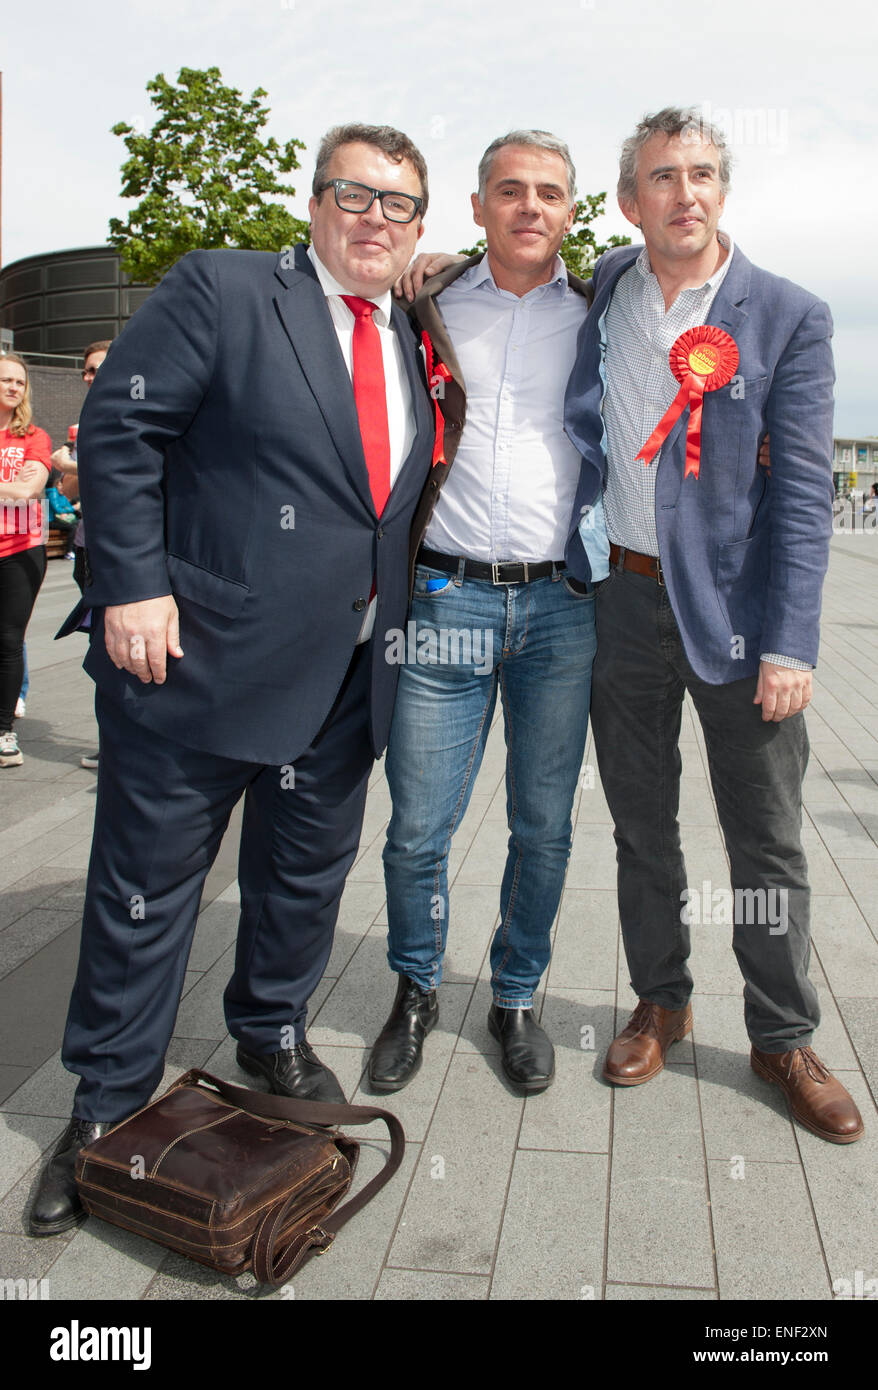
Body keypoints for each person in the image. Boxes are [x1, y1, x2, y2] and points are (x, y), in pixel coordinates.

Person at [28, 122, 443, 1238]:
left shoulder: (406, 331)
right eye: (353, 195)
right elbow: (120, 431)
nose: (374, 218)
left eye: (397, 204)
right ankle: (105, 1106)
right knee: (148, 890)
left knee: (304, 881)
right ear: (313, 203)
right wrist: (130, 587)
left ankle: (268, 1032)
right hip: (195, 659)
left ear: (417, 226)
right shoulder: (223, 288)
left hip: (349, 673)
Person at [564, 106, 863, 1143]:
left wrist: (790, 643)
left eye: (699, 174)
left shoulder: (786, 314)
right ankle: (661, 999)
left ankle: (781, 1035)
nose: (682, 192)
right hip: (622, 603)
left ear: (720, 190)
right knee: (640, 824)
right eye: (660, 176)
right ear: (627, 200)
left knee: (766, 842)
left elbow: (800, 500)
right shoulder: (601, 287)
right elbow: (512, 264)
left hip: (740, 624)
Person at [369, 132, 608, 1097]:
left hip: (561, 606)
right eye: (510, 191)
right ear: (477, 207)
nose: (530, 208)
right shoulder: (421, 301)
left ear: (570, 211)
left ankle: (516, 995)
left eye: (549, 193)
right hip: (445, 597)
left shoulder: (605, 309)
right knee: (418, 829)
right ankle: (415, 990)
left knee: (542, 827)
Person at [52, 341, 111, 768]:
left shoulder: (147, 406)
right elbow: (66, 492)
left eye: (100, 368)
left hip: (135, 550)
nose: (93, 376)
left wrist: (72, 463)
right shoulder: (86, 423)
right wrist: (67, 471)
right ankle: (111, 742)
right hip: (89, 547)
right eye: (88, 371)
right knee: (102, 648)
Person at [0, 353, 52, 768]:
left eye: (20, 381)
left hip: (18, 550)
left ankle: (3, 731)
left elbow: (27, 491)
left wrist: (15, 487)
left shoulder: (33, 436)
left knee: (7, 640)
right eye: (5, 380)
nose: (14, 387)